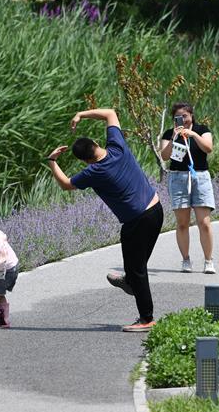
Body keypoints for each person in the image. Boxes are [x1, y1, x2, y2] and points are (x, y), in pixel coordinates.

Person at [47, 107, 163, 332]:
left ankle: (146, 318)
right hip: (156, 210)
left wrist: (52, 161)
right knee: (133, 259)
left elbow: (66, 184)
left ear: (86, 161)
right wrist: (81, 113)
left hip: (138, 221)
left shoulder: (94, 172)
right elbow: (110, 113)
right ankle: (130, 281)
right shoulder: (117, 147)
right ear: (96, 144)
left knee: (137, 268)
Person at [160, 102, 216, 274]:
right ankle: (186, 260)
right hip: (178, 177)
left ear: (191, 115)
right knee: (182, 223)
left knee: (204, 222)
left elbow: (208, 148)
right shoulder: (170, 133)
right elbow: (164, 155)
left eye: (185, 116)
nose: (182, 120)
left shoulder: (201, 129)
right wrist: (174, 138)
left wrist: (193, 135)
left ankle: (208, 261)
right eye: (178, 117)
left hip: (199, 176)